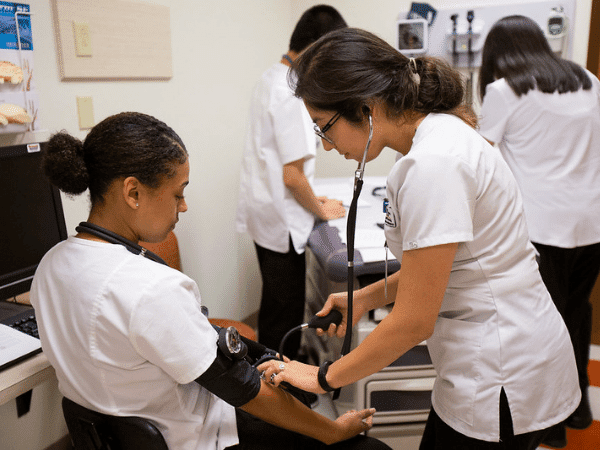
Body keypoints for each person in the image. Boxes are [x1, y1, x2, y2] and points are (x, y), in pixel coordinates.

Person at [257, 28, 581, 449]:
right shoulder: (436, 137)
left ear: (365, 109)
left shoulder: (434, 165)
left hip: (500, 370)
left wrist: (321, 377)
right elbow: (442, 270)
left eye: (324, 127)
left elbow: (413, 321)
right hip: (489, 358)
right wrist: (364, 299)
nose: (326, 145)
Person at [30, 112, 392, 450]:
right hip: (196, 438)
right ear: (133, 193)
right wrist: (333, 431)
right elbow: (243, 389)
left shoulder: (50, 266)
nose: (183, 206)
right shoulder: (151, 288)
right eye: (178, 193)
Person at [477, 15, 600, 447]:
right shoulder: (586, 78)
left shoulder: (504, 90)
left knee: (541, 325)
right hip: (592, 222)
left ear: (497, 54)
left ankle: (549, 426)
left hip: (542, 226)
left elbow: (479, 158)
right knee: (576, 312)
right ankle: (579, 409)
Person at [236, 5, 347, 360]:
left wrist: (314, 197)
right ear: (318, 49)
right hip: (282, 219)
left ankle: (271, 378)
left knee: (274, 304)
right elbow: (292, 176)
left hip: (265, 212)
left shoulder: (271, 77)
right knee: (284, 313)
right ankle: (282, 391)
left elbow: (281, 164)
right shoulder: (292, 94)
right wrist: (320, 208)